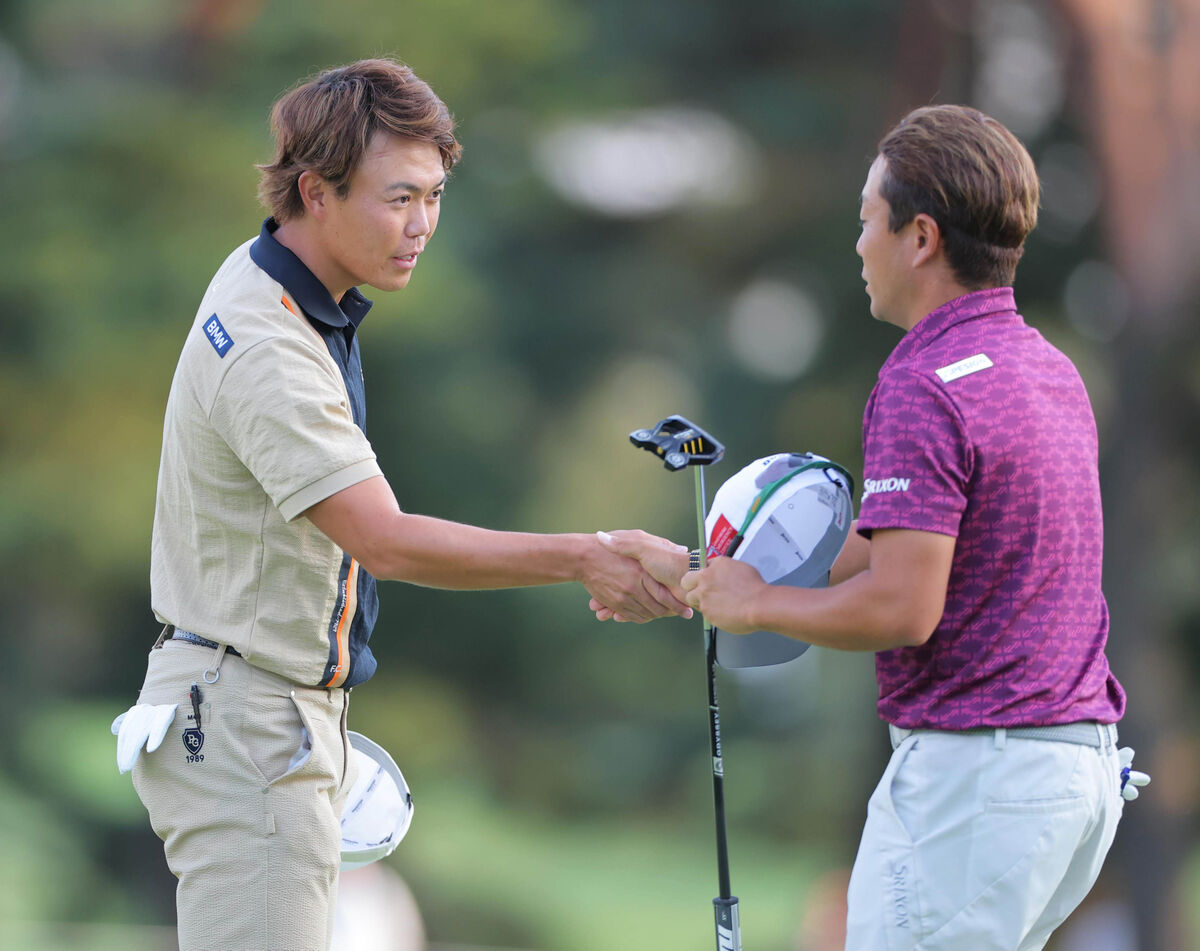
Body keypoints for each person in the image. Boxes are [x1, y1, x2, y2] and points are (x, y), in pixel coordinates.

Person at [125, 58, 689, 951]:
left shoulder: (282, 285)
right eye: (398, 198)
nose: (421, 223)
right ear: (315, 191)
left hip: (259, 714)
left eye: (433, 195)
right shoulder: (270, 343)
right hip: (247, 729)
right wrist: (587, 552)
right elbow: (383, 540)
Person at [597, 105, 1131, 950]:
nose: (857, 246)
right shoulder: (1044, 365)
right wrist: (705, 566)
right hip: (1076, 777)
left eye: (865, 221)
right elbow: (902, 547)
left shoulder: (922, 381)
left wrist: (757, 606)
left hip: (977, 785)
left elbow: (901, 606)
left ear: (919, 237)